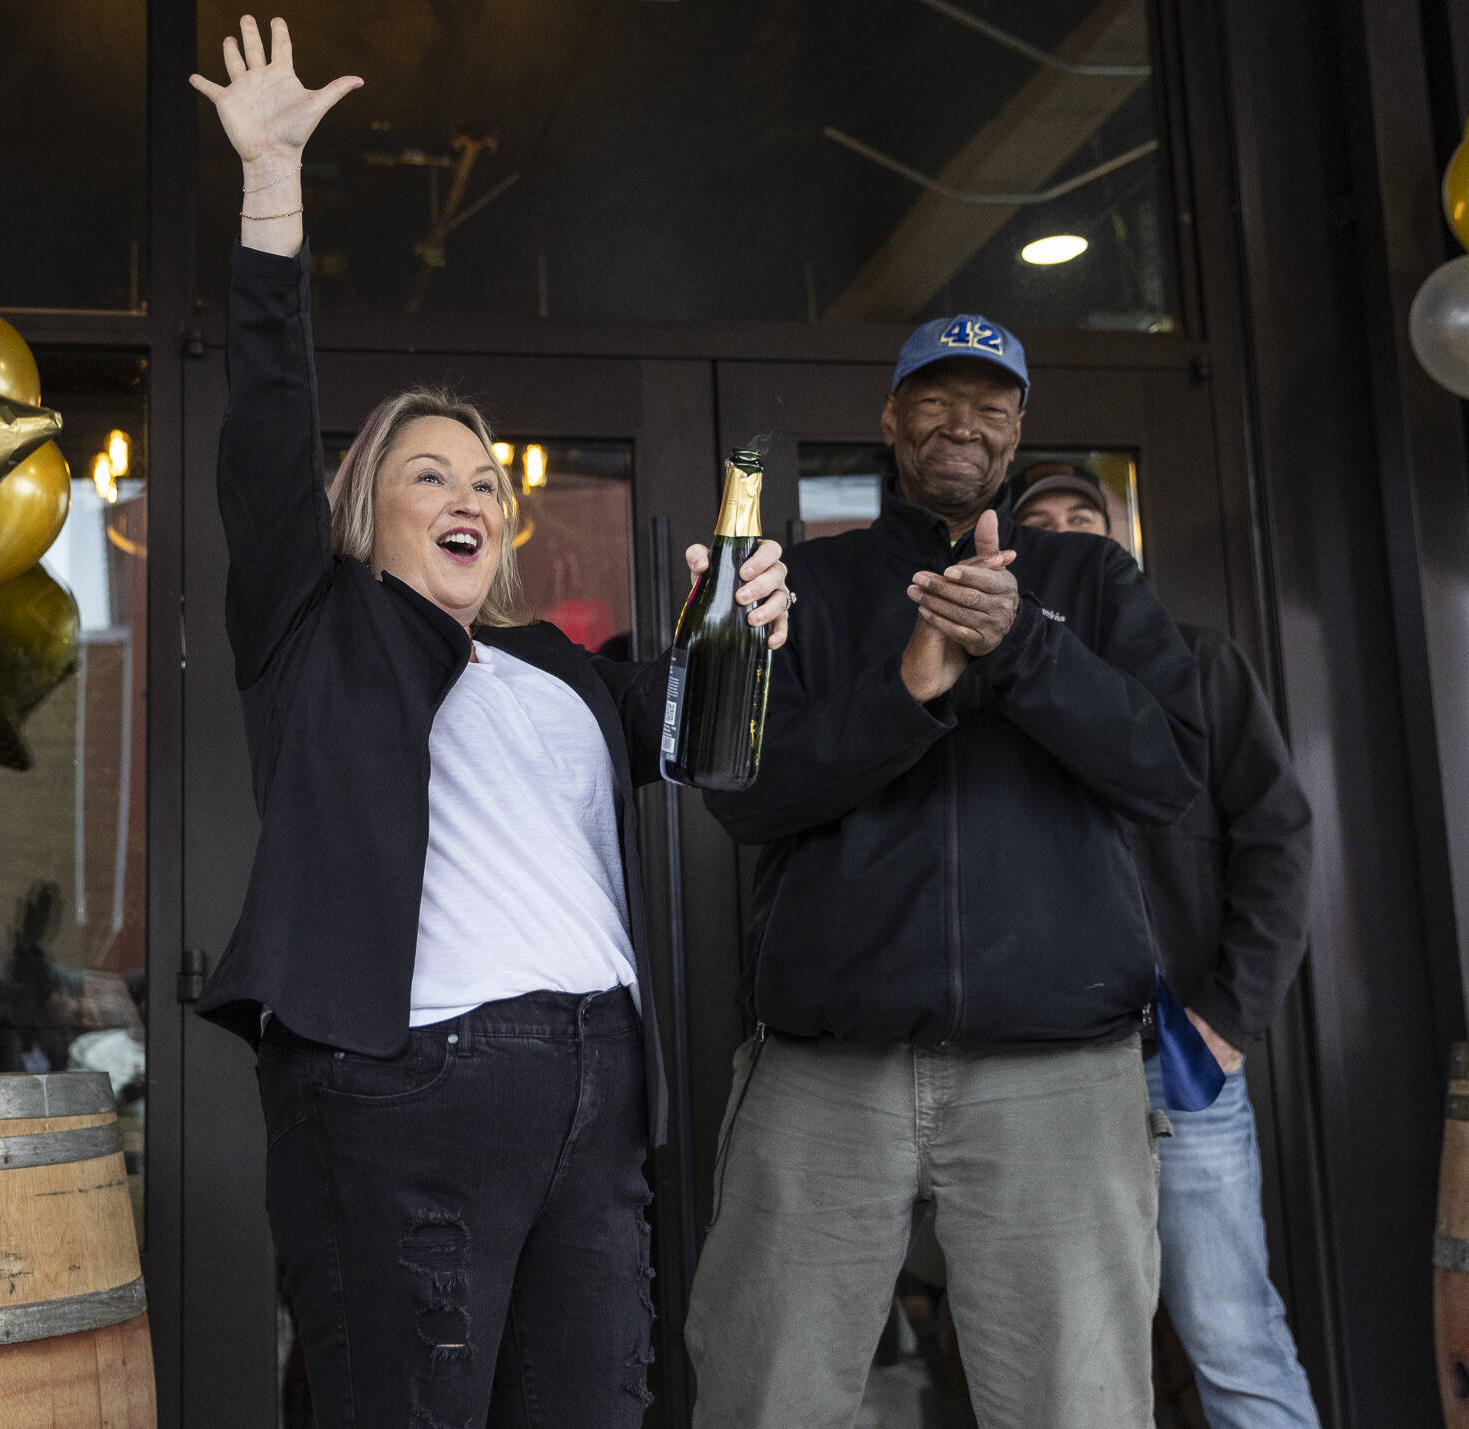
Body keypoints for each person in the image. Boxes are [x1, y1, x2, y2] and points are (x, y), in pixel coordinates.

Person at [188, 18, 793, 1426]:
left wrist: (745, 619)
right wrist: (270, 184)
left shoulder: (553, 670)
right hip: (412, 1085)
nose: (467, 495)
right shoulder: (314, 629)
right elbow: (266, 422)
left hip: (598, 1089)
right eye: (428, 474)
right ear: (363, 510)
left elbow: (698, 733)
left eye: (484, 481)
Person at [684, 315, 1205, 1428]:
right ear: (890, 417)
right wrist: (906, 691)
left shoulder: (1093, 579)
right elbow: (741, 794)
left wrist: (1026, 646)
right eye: (934, 398)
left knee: (1077, 1408)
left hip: (1057, 1075)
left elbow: (1167, 775)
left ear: (1017, 429)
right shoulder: (808, 582)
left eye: (989, 404)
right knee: (765, 1398)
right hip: (824, 1072)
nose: (961, 423)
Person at [1014, 463, 1321, 1428]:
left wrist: (1227, 1020)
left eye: (1085, 515)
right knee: (1065, 1350)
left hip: (1181, 1057)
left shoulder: (1199, 662)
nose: (1067, 531)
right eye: (1040, 522)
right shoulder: (995, 683)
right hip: (1036, 1065)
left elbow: (1278, 841)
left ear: (1122, 543)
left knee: (1231, 1333)